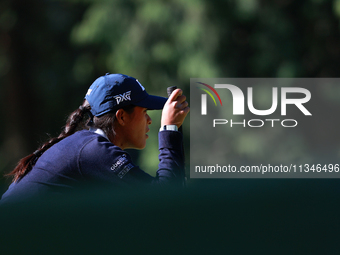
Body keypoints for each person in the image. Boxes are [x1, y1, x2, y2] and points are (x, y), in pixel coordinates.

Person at [0, 73, 189, 204]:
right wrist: (169, 128)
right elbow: (165, 199)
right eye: (145, 111)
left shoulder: (89, 146)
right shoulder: (94, 150)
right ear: (121, 116)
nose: (149, 120)